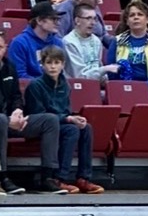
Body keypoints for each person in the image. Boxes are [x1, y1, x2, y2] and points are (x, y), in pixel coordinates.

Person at [0, 29, 62, 196]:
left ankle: (48, 177)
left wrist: (18, 111)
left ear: (5, 48)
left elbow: (16, 96)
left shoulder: (9, 66)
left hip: (10, 119)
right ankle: (0, 177)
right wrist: (7, 118)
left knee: (50, 120)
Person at [24, 46, 105, 194]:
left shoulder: (65, 84)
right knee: (72, 130)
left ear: (63, 65)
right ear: (42, 65)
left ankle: (83, 178)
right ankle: (59, 178)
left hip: (61, 122)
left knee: (86, 128)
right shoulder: (35, 85)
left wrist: (74, 118)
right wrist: (68, 119)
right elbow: (38, 114)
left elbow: (66, 110)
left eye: (56, 62)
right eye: (49, 62)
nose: (53, 66)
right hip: (43, 126)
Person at [104, 0, 148, 100]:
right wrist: (125, 87)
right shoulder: (117, 41)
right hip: (124, 89)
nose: (136, 17)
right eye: (132, 15)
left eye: (140, 14)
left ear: (147, 19)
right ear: (127, 21)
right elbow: (111, 71)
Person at [7, 2, 67, 79]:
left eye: (58, 19)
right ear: (39, 20)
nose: (58, 23)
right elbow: (19, 75)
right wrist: (44, 84)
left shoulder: (58, 43)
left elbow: (60, 72)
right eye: (53, 19)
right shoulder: (19, 43)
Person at [64, 3, 119, 84]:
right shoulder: (69, 42)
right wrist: (105, 69)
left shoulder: (96, 41)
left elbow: (98, 68)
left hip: (96, 86)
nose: (93, 23)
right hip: (77, 88)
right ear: (77, 21)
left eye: (94, 19)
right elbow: (79, 77)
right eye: (88, 18)